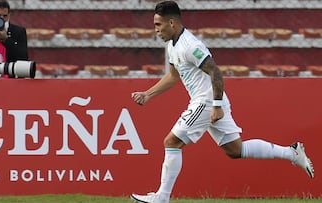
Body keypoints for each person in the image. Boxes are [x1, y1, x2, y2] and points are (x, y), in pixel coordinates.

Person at [130, 1, 314, 203]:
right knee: (236, 150)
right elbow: (173, 76)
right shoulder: (172, 46)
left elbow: (215, 71)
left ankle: (162, 197)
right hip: (209, 101)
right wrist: (148, 94)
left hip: (207, 101)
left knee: (171, 142)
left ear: (172, 23)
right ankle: (292, 152)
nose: (156, 29)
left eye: (158, 24)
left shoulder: (190, 46)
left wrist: (216, 106)